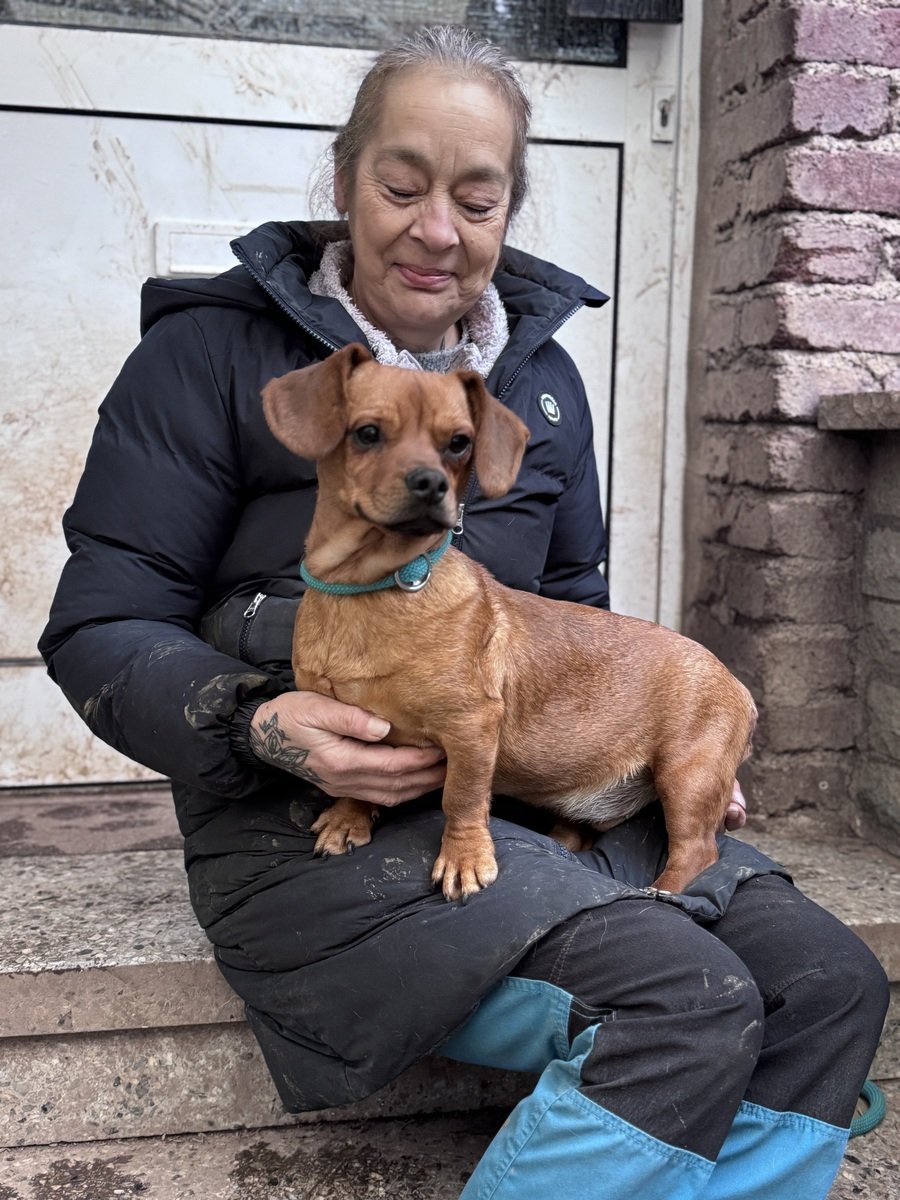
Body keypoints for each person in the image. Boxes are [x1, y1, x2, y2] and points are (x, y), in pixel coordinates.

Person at [40, 25, 887, 1200]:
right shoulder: (209, 358)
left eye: (477, 201)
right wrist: (256, 722)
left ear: (506, 214)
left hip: (526, 802)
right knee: (684, 999)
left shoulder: (540, 387)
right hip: (296, 825)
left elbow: (574, 615)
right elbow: (100, 628)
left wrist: (651, 738)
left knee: (831, 987)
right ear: (344, 182)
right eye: (402, 187)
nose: (437, 229)